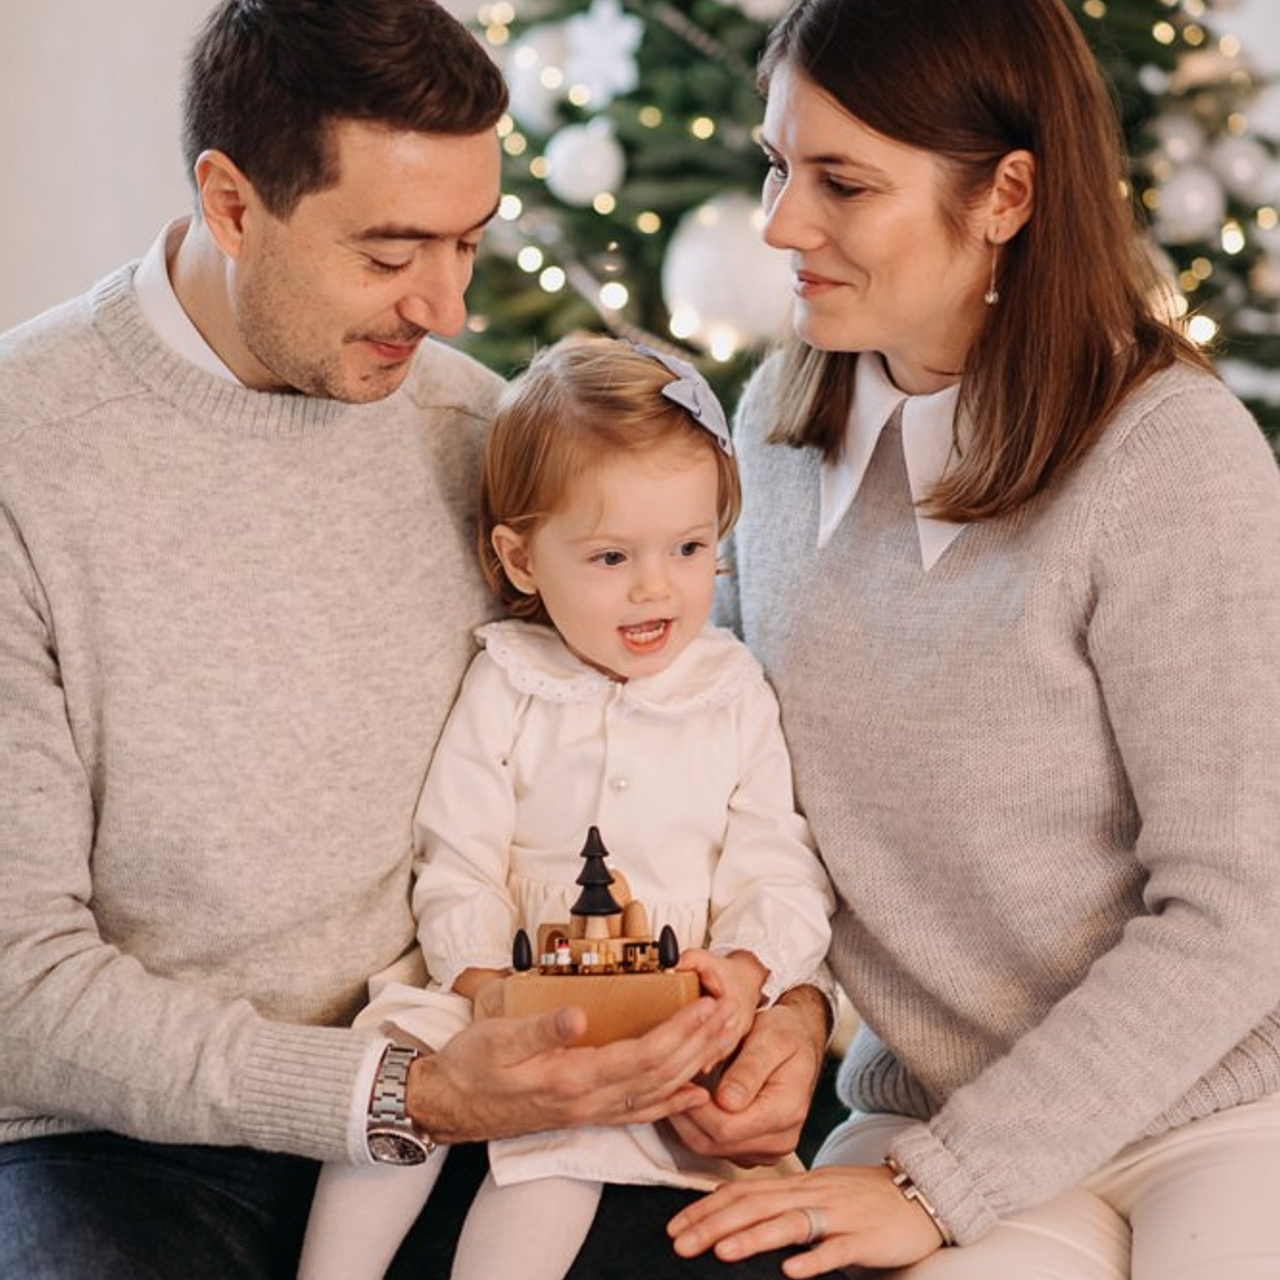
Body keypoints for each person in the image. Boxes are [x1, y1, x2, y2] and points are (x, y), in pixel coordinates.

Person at [0, 3, 822, 1277]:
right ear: (231, 202)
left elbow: (675, 749)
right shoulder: (25, 459)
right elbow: (20, 989)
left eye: (467, 243)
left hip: (499, 1090)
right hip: (122, 1143)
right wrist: (406, 1090)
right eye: (391, 252)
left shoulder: (473, 430)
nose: (442, 305)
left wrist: (794, 1007)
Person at [665, 0, 1280, 1277]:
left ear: (1003, 195)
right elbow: (744, 795)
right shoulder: (773, 428)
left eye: (842, 181)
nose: (782, 223)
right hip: (926, 1105)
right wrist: (782, 1004)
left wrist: (946, 1185)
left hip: (1220, 1107)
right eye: (780, 166)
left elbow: (1237, 908)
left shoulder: (1170, 457)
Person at [297, 335, 835, 1280]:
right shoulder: (507, 680)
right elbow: (455, 854)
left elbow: (774, 864)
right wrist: (482, 987)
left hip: (665, 997)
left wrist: (747, 976)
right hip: (504, 991)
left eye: (690, 548)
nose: (655, 586)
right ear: (522, 559)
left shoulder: (732, 690)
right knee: (395, 1066)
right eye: (610, 554)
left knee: (565, 1153)